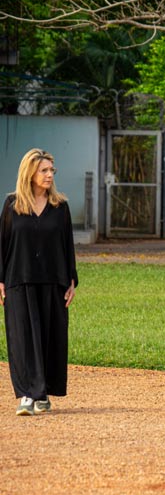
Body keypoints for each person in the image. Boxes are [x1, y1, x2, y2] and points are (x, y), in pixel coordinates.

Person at [0, 148, 78, 416]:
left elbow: (67, 245)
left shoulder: (60, 207)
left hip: (52, 280)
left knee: (49, 337)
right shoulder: (12, 205)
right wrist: (0, 279)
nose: (49, 175)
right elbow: (3, 245)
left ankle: (42, 394)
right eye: (44, 170)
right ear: (30, 172)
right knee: (21, 338)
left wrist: (71, 281)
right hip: (18, 280)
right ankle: (25, 395)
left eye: (51, 170)